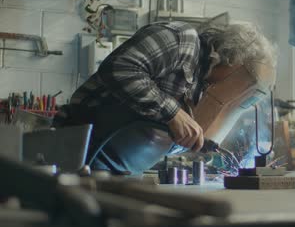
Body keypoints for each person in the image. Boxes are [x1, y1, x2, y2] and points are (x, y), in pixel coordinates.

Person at [54, 21, 277, 174]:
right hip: (80, 153)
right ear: (233, 59)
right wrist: (173, 114)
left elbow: (156, 130)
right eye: (242, 79)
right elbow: (120, 68)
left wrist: (192, 141)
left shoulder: (200, 84)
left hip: (121, 168)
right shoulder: (181, 39)